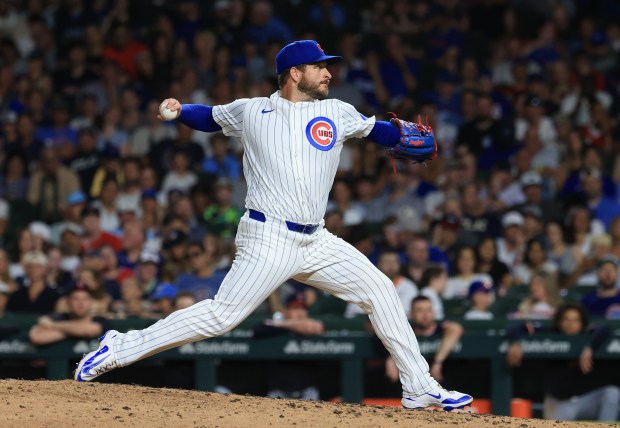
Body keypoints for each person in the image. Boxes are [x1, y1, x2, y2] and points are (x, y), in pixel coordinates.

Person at [74, 40, 471, 410]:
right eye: (320, 67)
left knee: (382, 290)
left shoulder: (336, 111)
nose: (329, 73)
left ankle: (418, 386)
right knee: (221, 317)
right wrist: (181, 111)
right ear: (294, 73)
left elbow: (375, 129)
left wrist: (401, 133)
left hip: (317, 240)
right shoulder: (253, 110)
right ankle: (121, 347)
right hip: (268, 237)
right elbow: (210, 117)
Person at [506, 304, 619, 421]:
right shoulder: (551, 334)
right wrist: (515, 342)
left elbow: (605, 328)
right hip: (558, 403)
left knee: (612, 393)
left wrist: (590, 347)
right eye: (566, 319)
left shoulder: (588, 335)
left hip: (585, 402)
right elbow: (518, 327)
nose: (570, 324)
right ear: (559, 322)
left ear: (581, 323)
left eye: (575, 320)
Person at [29, 283, 111, 346]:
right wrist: (74, 331)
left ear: (91, 302)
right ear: (68, 302)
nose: (81, 303)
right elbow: (36, 337)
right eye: (76, 299)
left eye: (85, 299)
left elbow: (90, 331)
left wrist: (54, 326)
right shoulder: (60, 318)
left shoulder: (101, 320)